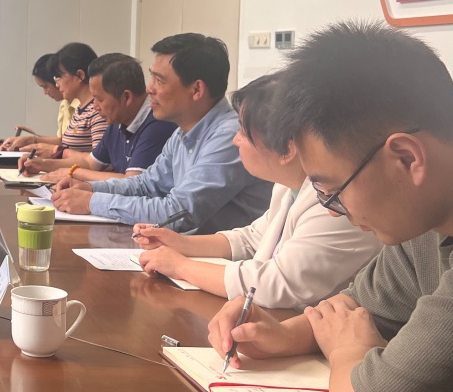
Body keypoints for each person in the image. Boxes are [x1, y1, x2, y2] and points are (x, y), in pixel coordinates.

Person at [207, 21, 453, 392]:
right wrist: (283, 334)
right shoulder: (435, 212)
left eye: (332, 191)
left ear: (406, 158)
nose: (333, 210)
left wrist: (347, 352)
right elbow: (354, 309)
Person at [134, 73, 381, 307]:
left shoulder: (335, 201)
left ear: (287, 148)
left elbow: (279, 283)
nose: (235, 140)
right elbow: (252, 238)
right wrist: (181, 243)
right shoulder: (289, 186)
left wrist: (181, 267)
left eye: (243, 131)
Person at [51, 33, 270, 232]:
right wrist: (89, 188)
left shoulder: (229, 137)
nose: (149, 89)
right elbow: (146, 185)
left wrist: (91, 202)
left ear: (196, 90)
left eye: (159, 80)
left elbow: (177, 212)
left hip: (218, 259)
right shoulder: (182, 131)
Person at [22, 55, 175, 183]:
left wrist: (74, 173)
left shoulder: (157, 123)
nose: (95, 107)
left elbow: (133, 182)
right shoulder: (118, 119)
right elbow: (90, 163)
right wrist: (42, 164)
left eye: (99, 99)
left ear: (126, 97)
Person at [0, 44, 106, 159]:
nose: (57, 84)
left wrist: (53, 154)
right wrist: (31, 140)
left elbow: (98, 161)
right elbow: (65, 142)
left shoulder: (97, 111)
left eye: (59, 77)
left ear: (79, 75)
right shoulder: (81, 109)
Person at [0, 53, 77, 150]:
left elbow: (70, 144)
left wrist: (33, 139)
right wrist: (33, 137)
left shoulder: (83, 106)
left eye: (45, 86)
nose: (45, 92)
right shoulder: (64, 104)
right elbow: (62, 141)